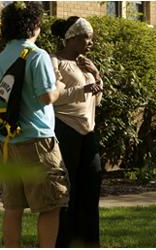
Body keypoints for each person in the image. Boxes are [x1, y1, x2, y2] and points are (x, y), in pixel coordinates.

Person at [0, 2, 69, 247]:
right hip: (36, 141)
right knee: (51, 204)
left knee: (12, 208)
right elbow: (46, 97)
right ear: (33, 25)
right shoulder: (37, 55)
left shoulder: (1, 57)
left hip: (6, 141)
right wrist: (60, 86)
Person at [50, 16, 103, 247]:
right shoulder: (55, 61)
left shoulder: (86, 63)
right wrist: (83, 88)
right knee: (68, 191)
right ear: (71, 38)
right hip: (65, 130)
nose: (90, 42)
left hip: (87, 132)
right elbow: (52, 97)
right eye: (86, 38)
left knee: (91, 186)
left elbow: (96, 100)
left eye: (91, 38)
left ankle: (88, 241)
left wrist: (97, 74)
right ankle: (65, 241)